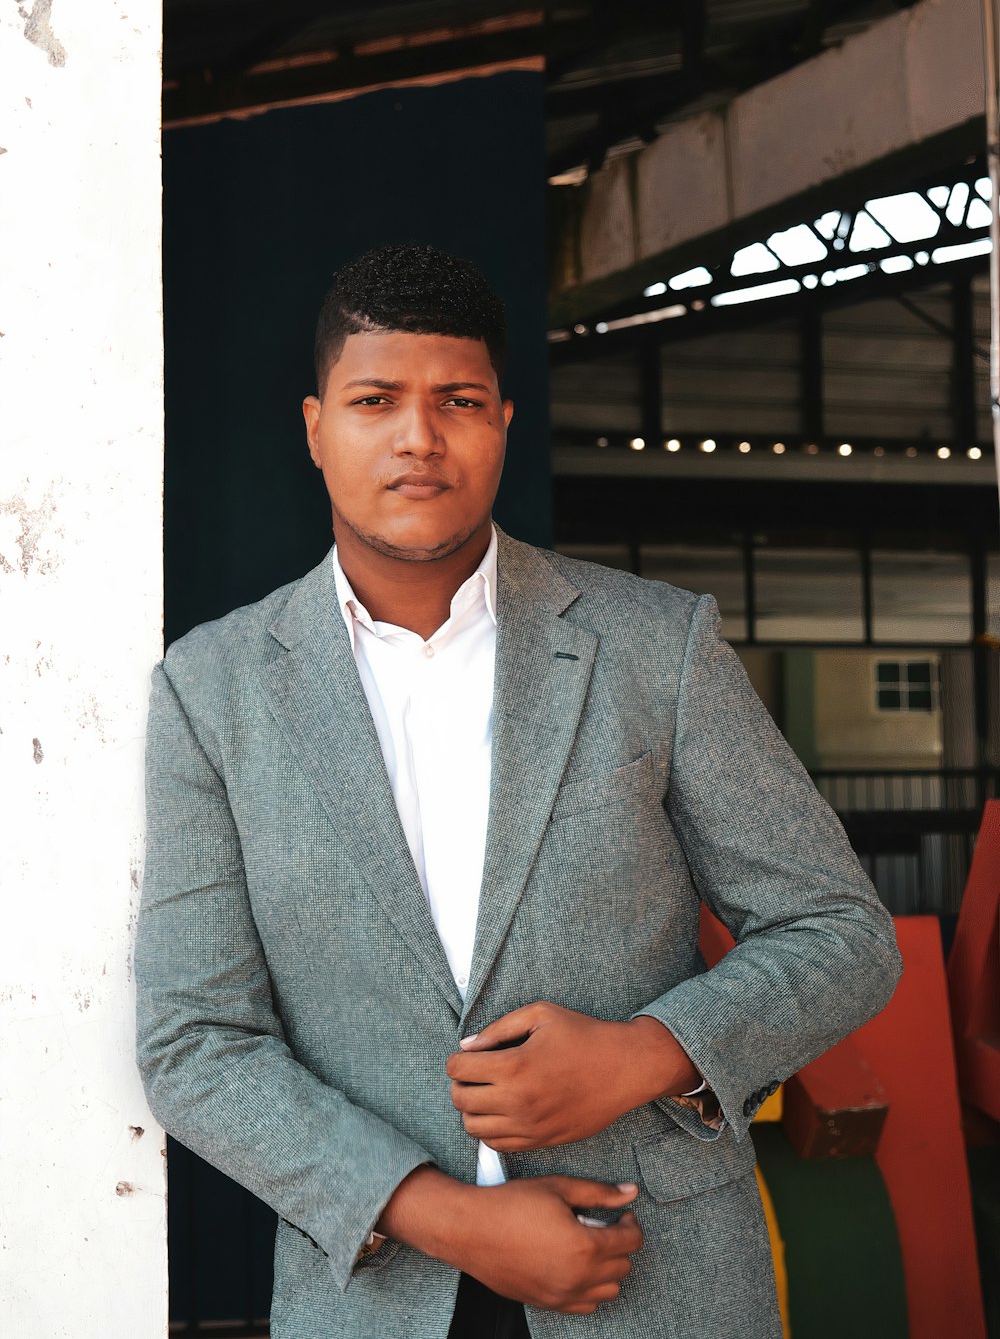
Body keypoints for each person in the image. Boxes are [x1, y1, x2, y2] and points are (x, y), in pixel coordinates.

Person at [136, 244, 902, 1339]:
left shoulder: (654, 647)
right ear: (315, 429)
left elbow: (840, 932)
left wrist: (647, 1055)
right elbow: (194, 1039)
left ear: (503, 421)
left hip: (660, 1278)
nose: (416, 437)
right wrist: (442, 1215)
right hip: (372, 1297)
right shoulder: (210, 692)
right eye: (373, 400)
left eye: (457, 401)